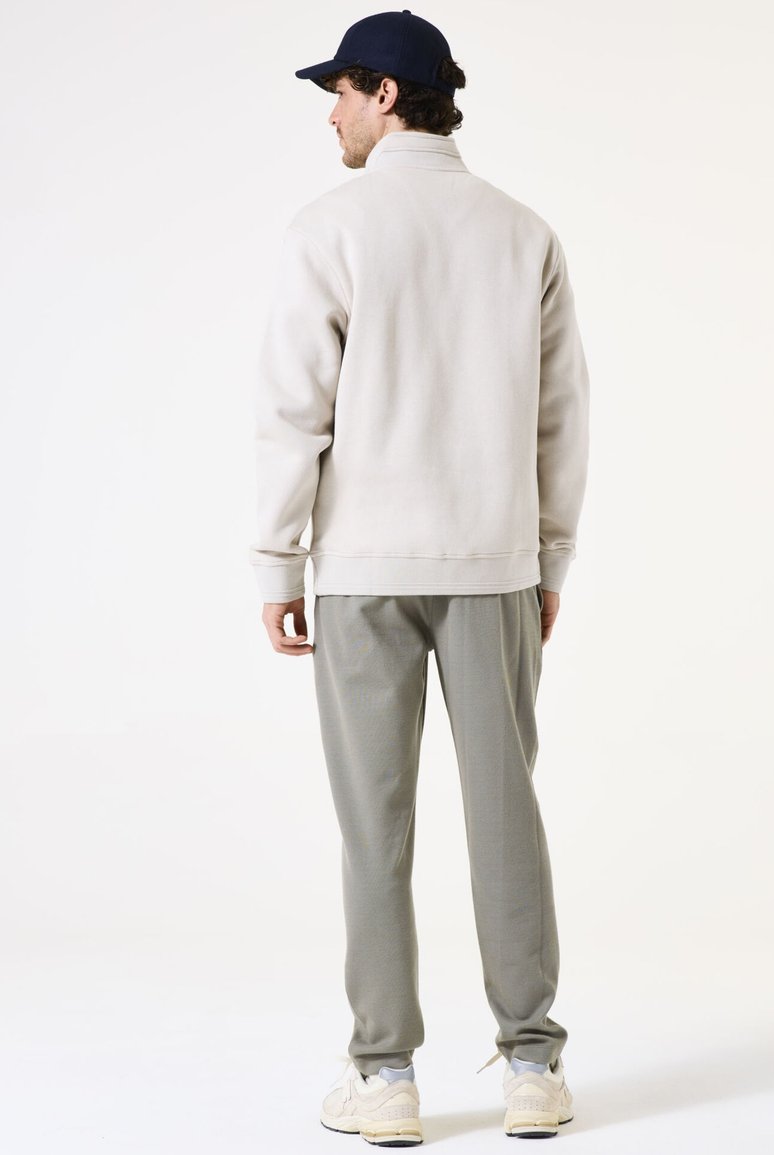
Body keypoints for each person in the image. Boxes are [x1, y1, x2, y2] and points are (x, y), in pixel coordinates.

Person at [250, 9, 589, 1144]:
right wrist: (548, 555)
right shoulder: (521, 232)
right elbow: (560, 419)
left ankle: (385, 1076)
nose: (332, 118)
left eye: (340, 95)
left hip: (360, 567)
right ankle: (532, 1065)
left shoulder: (330, 227)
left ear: (384, 94)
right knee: (506, 812)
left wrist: (277, 557)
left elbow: (291, 409)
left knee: (373, 824)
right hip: (494, 562)